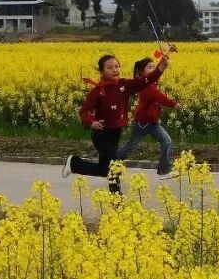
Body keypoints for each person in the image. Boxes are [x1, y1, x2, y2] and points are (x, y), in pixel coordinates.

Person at [63, 53, 167, 191]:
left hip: (115, 133)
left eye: (117, 66)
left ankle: (74, 163)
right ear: (102, 71)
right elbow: (84, 111)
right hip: (101, 134)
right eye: (110, 67)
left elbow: (146, 81)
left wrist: (161, 68)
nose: (115, 70)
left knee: (104, 169)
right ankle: (116, 200)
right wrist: (91, 122)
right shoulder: (98, 91)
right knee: (114, 166)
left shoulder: (125, 85)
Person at [118, 56, 179, 176]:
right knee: (130, 147)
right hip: (142, 123)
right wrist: (174, 103)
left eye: (153, 66)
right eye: (150, 67)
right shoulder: (145, 86)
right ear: (142, 72)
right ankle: (111, 163)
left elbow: (158, 72)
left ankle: (164, 169)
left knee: (167, 142)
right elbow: (159, 97)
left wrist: (164, 59)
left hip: (153, 123)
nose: (153, 69)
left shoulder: (151, 81)